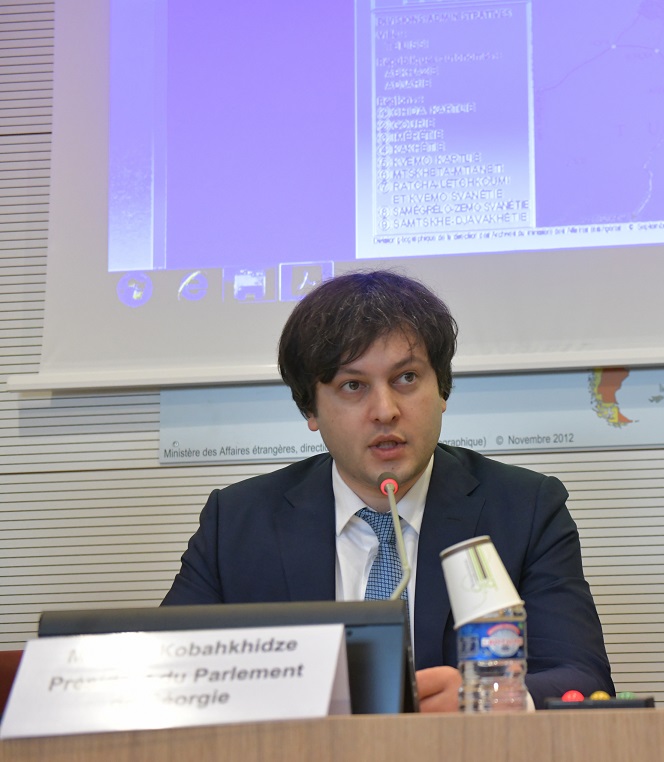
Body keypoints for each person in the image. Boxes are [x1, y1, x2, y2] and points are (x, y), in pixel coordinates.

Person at [163, 269, 613, 710]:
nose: (385, 410)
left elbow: (582, 677)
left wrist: (484, 698)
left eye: (407, 378)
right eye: (353, 385)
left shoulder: (525, 509)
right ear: (310, 408)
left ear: (442, 390)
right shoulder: (238, 521)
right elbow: (163, 672)